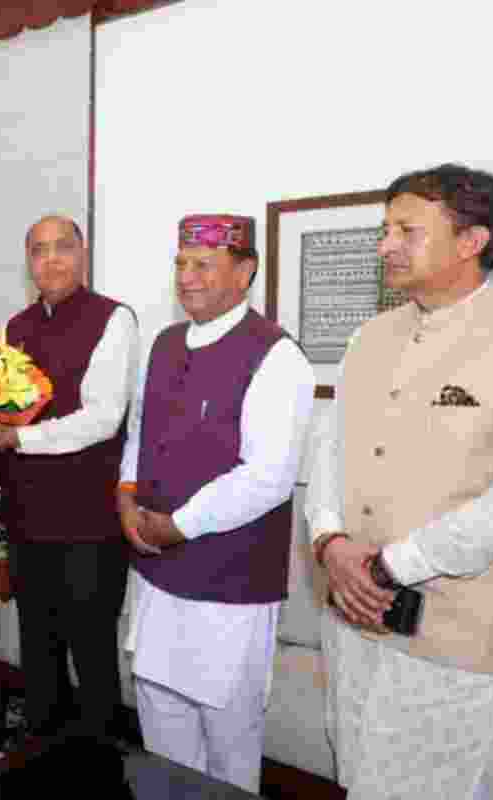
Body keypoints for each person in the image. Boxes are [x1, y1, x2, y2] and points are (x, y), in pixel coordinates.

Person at [307, 163, 493, 800]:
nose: (385, 247)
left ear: (472, 241)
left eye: (406, 230)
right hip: (356, 631)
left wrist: (387, 566)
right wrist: (330, 544)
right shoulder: (367, 338)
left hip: (462, 652)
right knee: (360, 783)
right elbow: (326, 456)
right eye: (385, 230)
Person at [116, 214, 314, 793]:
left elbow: (269, 476)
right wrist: (126, 496)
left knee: (228, 736)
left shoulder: (276, 355)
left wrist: (179, 524)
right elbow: (138, 436)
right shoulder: (165, 341)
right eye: (181, 263)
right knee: (160, 719)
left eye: (203, 264)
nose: (187, 276)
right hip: (154, 571)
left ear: (245, 270)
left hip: (229, 583)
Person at [0, 214, 139, 744]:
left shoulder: (114, 320)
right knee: (39, 658)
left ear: (82, 254)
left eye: (63, 247)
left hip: (91, 526)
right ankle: (41, 772)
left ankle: (101, 772)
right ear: (29, 263)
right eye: (39, 251)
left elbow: (102, 417)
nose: (52, 259)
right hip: (26, 519)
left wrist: (15, 439)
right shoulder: (12, 330)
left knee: (92, 658)